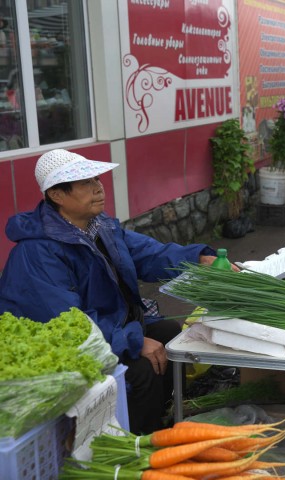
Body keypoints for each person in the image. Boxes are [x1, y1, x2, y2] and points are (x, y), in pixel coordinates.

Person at [0, 149, 219, 434]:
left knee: (168, 333)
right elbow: (67, 322)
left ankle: (162, 420)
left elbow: (149, 254)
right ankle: (138, 439)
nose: (98, 188)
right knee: (140, 370)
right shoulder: (38, 251)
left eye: (97, 179)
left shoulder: (100, 226)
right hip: (76, 341)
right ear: (57, 196)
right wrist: (133, 341)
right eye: (85, 183)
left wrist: (198, 259)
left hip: (111, 325)